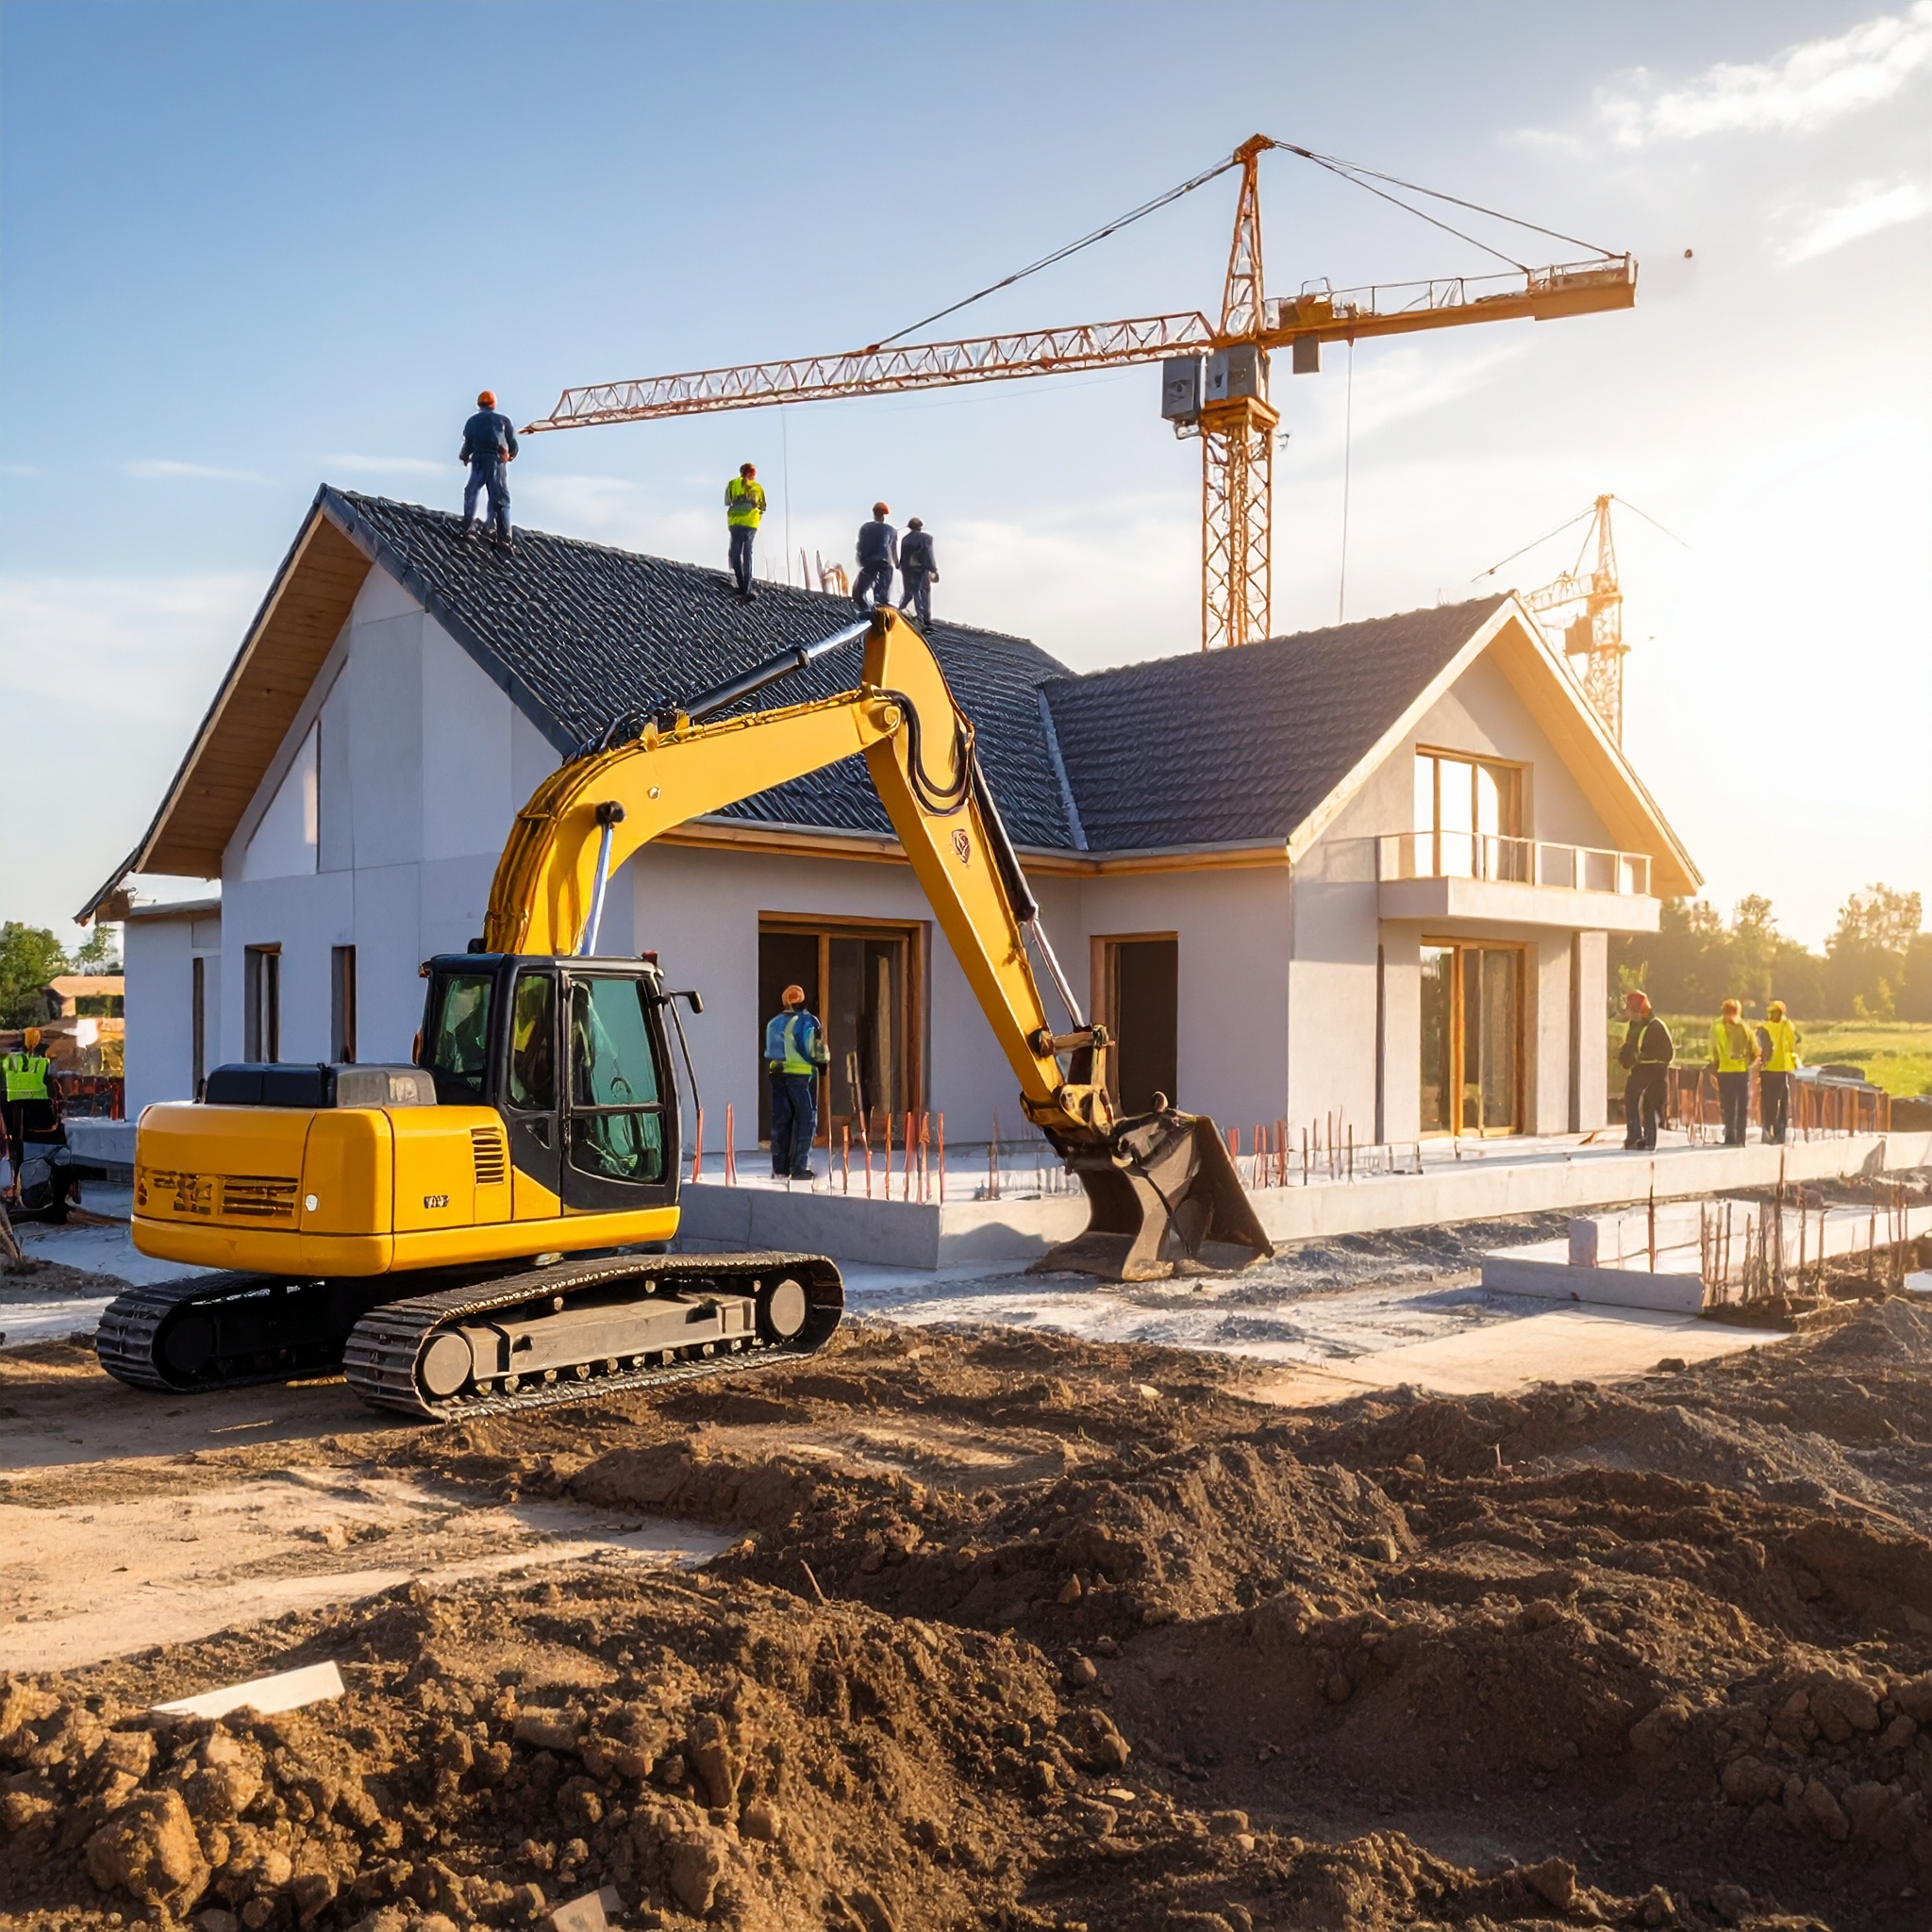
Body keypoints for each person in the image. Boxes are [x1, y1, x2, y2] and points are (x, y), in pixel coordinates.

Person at [764, 983, 829, 1181]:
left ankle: (780, 1168)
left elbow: (770, 1050)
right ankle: (799, 1167)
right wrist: (823, 1062)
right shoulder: (809, 1021)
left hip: (777, 1074)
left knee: (781, 1121)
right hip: (802, 1075)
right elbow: (817, 1049)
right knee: (806, 1121)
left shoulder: (773, 1023)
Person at [2, 1027, 60, 1200]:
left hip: (14, 1108)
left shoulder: (10, 1060)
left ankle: (13, 1186)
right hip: (38, 1111)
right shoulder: (43, 1062)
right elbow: (52, 1087)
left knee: (16, 1148)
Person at [458, 390, 519, 548]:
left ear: (479, 405)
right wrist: (510, 455)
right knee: (500, 498)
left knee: (471, 492)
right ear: (494, 404)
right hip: (496, 461)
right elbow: (513, 446)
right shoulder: (503, 420)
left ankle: (468, 528)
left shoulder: (471, 421)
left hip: (478, 460)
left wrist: (464, 456)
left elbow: (468, 444)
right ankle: (504, 538)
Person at [1617, 991, 1673, 1151]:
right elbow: (1630, 1047)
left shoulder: (1655, 1026)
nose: (1628, 1013)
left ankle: (1643, 1138)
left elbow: (1666, 1053)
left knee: (1646, 1102)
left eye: (1629, 1008)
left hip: (1652, 1068)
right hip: (1645, 1068)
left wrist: (1637, 1056)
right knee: (1639, 1100)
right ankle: (1641, 1138)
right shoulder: (1639, 1025)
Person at [1707, 998, 1759, 1147]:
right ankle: (1740, 1138)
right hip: (1740, 1071)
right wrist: (1747, 1063)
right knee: (1741, 1106)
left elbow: (1712, 1047)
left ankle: (1730, 1136)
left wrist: (1714, 1065)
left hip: (1724, 1070)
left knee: (1727, 1105)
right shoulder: (1744, 1027)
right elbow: (1755, 1049)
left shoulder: (1716, 1025)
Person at [1758, 999, 1801, 1144]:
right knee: (1782, 1102)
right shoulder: (1787, 1025)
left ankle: (1766, 1128)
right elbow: (1793, 1043)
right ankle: (1780, 1133)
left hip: (1766, 1068)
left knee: (1767, 1100)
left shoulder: (1764, 1027)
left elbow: (1758, 1047)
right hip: (1781, 1068)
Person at [724, 463, 767, 601]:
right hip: (750, 524)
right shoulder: (758, 488)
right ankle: (746, 588)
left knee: (735, 552)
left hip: (736, 523)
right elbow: (763, 507)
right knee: (747, 553)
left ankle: (740, 582)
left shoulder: (732, 484)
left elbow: (728, 501)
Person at [853, 503, 898, 609]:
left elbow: (859, 546)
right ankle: (880, 604)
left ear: (874, 513)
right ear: (884, 515)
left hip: (868, 561)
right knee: (882, 592)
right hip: (884, 564)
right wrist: (897, 564)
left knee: (860, 591)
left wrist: (861, 560)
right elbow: (893, 551)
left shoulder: (865, 528)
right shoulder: (891, 530)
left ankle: (863, 606)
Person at [896, 517, 939, 625]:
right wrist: (933, 569)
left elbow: (903, 557)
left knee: (909, 592)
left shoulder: (905, 539)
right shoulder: (927, 538)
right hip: (921, 569)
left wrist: (902, 568)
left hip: (907, 570)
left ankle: (900, 610)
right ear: (921, 527)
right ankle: (925, 619)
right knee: (923, 591)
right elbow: (929, 554)